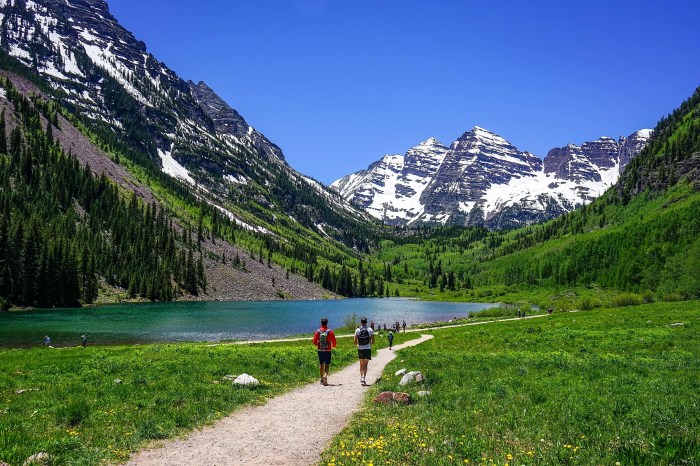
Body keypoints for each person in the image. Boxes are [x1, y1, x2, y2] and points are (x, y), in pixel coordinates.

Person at [312, 318, 336, 386]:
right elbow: (334, 341)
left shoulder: (318, 331)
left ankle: (321, 378)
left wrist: (318, 344)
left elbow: (314, 341)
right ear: (327, 323)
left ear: (321, 323)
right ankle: (325, 376)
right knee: (327, 364)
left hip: (320, 350)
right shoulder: (330, 331)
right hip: (328, 350)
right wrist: (333, 346)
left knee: (321, 364)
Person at [354, 317, 375, 385]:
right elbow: (373, 341)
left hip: (360, 349)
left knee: (361, 364)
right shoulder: (370, 330)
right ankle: (363, 378)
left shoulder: (357, 330)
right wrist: (370, 344)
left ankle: (361, 377)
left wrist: (357, 345)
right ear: (366, 322)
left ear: (361, 322)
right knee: (365, 364)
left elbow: (354, 341)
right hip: (367, 349)